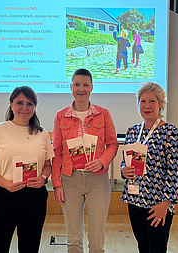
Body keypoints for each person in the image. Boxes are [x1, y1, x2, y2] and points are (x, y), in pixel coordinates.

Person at [0, 86, 54, 253]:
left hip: (35, 197)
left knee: (30, 247)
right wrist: (5, 183)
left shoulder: (42, 134)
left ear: (34, 107)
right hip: (3, 196)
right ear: (11, 104)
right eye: (19, 102)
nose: (24, 108)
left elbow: (48, 165)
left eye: (29, 103)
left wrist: (43, 179)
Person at [52, 68, 118, 253]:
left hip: (98, 179)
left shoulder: (103, 114)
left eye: (85, 85)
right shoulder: (61, 116)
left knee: (97, 239)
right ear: (71, 87)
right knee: (73, 239)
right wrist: (57, 184)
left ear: (92, 87)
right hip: (70, 179)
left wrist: (102, 161)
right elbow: (57, 152)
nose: (81, 89)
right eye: (77, 84)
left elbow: (112, 144)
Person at [120, 82, 178, 253]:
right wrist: (123, 171)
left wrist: (166, 203)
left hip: (158, 204)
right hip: (135, 201)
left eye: (152, 101)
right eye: (143, 101)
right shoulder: (132, 131)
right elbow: (125, 161)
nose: (147, 106)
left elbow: (175, 171)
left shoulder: (171, 132)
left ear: (161, 104)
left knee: (157, 248)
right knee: (143, 247)